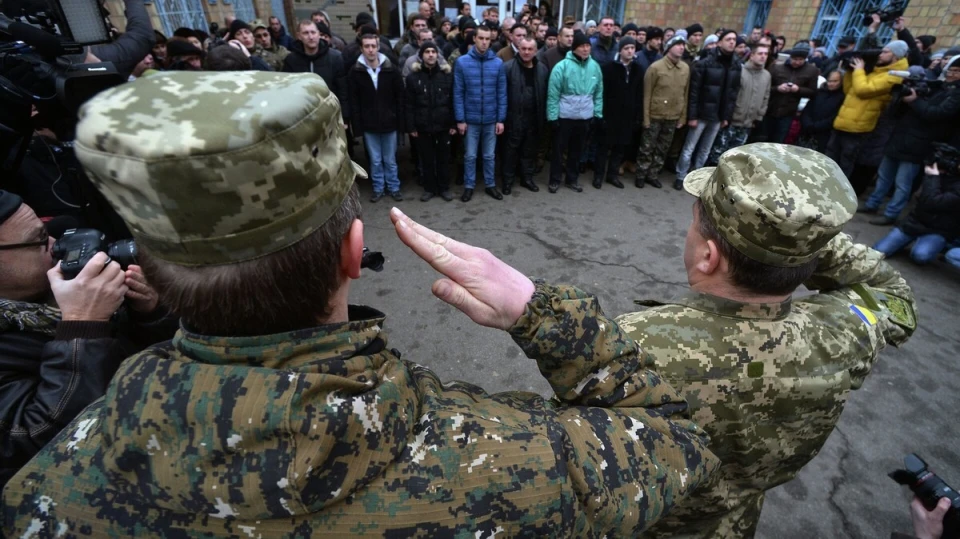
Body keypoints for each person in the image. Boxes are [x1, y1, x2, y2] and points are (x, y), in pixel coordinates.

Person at [1, 70, 720, 537]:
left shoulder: (45, 494)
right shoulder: (522, 465)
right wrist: (538, 311)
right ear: (355, 250)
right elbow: (680, 441)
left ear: (149, 262)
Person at [618, 143, 916, 538]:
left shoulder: (633, 345)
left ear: (708, 256)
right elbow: (895, 296)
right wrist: (800, 242)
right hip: (732, 524)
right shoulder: (844, 334)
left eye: (694, 223)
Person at [0, 192, 174, 487]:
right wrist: (82, 326)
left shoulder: (56, 290)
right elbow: (29, 442)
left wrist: (149, 314)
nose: (56, 245)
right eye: (40, 239)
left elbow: (133, 364)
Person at [859, 58, 960, 225]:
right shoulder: (936, 86)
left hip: (919, 144)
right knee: (884, 176)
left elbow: (936, 114)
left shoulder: (955, 95)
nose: (952, 74)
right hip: (900, 137)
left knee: (902, 183)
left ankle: (891, 214)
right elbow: (897, 112)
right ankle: (872, 204)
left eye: (956, 71)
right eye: (951, 70)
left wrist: (915, 100)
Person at [827, 41, 909, 179]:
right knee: (830, 159)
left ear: (896, 55)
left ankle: (838, 189)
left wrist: (859, 70)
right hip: (842, 123)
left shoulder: (895, 76)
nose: (880, 54)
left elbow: (863, 90)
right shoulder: (875, 72)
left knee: (845, 163)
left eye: (885, 52)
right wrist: (850, 71)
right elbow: (849, 91)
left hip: (858, 128)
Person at [675, 29, 741, 191]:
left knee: (705, 149)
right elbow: (694, 91)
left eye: (734, 39)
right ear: (719, 42)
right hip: (701, 113)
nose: (732, 42)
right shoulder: (705, 63)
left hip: (718, 115)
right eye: (728, 39)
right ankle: (681, 176)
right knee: (689, 147)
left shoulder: (735, 65)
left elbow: (732, 94)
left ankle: (697, 177)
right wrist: (692, 116)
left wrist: (726, 117)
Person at [347, 34, 405, 203]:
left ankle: (394, 187)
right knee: (375, 160)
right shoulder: (355, 71)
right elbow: (354, 100)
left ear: (378, 47)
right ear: (361, 48)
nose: (370, 49)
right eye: (367, 46)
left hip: (389, 122)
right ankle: (378, 188)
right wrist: (357, 126)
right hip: (369, 124)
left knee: (390, 159)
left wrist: (400, 121)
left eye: (373, 46)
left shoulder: (391, 69)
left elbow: (400, 97)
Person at [453, 23, 506, 202]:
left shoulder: (498, 64)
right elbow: (458, 92)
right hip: (471, 119)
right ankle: (469, 186)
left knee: (489, 155)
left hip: (491, 118)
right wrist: (460, 119)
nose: (484, 42)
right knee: (470, 156)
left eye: (487, 39)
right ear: (474, 38)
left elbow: (501, 93)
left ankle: (490, 185)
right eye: (481, 38)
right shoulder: (462, 62)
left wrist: (500, 119)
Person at [546, 31, 603, 193]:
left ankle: (572, 179)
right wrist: (552, 117)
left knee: (577, 151)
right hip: (564, 117)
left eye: (588, 46)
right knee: (558, 151)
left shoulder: (595, 67)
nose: (585, 49)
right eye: (582, 46)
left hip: (584, 117)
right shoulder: (562, 67)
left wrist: (597, 114)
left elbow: (598, 93)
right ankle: (555, 180)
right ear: (574, 48)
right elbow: (553, 94)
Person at [873, 160, 960, 263]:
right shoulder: (940, 174)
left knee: (920, 256)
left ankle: (929, 245)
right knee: (879, 250)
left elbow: (933, 202)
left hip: (939, 230)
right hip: (915, 222)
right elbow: (918, 199)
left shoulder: (935, 177)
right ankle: (902, 241)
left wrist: (933, 177)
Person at [636, 35, 690, 189]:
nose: (681, 47)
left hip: (673, 115)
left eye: (683, 45)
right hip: (655, 114)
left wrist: (682, 116)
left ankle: (653, 174)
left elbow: (685, 94)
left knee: (662, 148)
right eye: (678, 44)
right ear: (669, 48)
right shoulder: (656, 67)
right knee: (647, 147)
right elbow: (647, 94)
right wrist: (646, 118)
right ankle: (641, 174)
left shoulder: (685, 68)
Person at [405, 41, 456, 202]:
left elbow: (453, 101)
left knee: (443, 159)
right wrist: (411, 126)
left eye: (433, 52)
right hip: (423, 126)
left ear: (438, 55)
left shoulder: (447, 76)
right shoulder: (413, 78)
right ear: (421, 56)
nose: (431, 55)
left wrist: (453, 123)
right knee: (426, 159)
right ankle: (429, 189)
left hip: (443, 125)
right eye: (427, 52)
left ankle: (444, 188)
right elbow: (409, 104)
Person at [707, 44, 770, 165]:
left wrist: (758, 116)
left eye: (766, 54)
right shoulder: (740, 71)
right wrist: (727, 115)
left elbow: (765, 97)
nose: (763, 56)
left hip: (748, 124)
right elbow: (729, 95)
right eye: (760, 53)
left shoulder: (766, 75)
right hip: (732, 121)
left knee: (735, 158)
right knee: (718, 154)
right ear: (752, 55)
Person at [593, 36, 643, 190]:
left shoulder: (638, 70)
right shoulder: (609, 68)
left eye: (632, 48)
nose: (630, 51)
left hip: (627, 116)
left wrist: (637, 116)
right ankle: (598, 176)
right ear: (620, 50)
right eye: (626, 48)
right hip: (610, 115)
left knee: (620, 148)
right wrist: (601, 115)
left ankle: (612, 175)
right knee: (603, 148)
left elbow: (639, 94)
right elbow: (602, 93)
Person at [501, 37, 548, 195]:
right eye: (523, 49)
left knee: (529, 151)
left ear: (535, 51)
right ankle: (507, 182)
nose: (526, 52)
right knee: (510, 152)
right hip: (513, 118)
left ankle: (527, 179)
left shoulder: (542, 69)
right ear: (518, 49)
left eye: (530, 49)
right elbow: (501, 95)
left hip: (534, 118)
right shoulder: (508, 68)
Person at [282, 20, 346, 116]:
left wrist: (345, 116)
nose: (311, 37)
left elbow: (343, 89)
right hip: (303, 114)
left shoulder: (335, 57)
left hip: (330, 112)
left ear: (319, 34)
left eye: (313, 32)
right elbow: (288, 90)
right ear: (299, 36)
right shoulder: (291, 60)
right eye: (306, 33)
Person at [761, 43, 819, 143]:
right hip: (770, 109)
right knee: (762, 137)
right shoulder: (777, 67)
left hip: (788, 112)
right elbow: (765, 88)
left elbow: (813, 92)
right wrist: (778, 88)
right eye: (795, 59)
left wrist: (798, 90)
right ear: (790, 57)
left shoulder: (811, 71)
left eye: (801, 60)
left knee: (778, 141)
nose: (797, 62)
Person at [798, 70, 844, 152]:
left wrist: (816, 126)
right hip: (807, 130)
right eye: (829, 81)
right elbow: (807, 109)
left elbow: (834, 117)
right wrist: (807, 123)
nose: (831, 84)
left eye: (835, 81)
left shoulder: (841, 97)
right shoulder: (819, 92)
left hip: (824, 134)